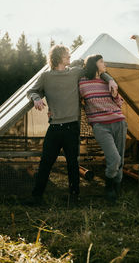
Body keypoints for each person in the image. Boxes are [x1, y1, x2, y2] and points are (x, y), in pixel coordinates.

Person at [26, 45, 117, 205]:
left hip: (72, 126)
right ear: (59, 57)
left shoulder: (75, 72)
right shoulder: (45, 77)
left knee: (73, 164)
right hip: (54, 127)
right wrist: (36, 98)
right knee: (45, 162)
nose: (69, 57)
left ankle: (74, 197)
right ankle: (36, 197)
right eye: (67, 55)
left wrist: (111, 80)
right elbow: (31, 91)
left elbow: (94, 70)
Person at [79, 54, 127, 202]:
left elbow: (119, 103)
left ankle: (116, 188)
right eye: (102, 62)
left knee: (120, 158)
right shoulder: (82, 83)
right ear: (94, 64)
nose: (104, 64)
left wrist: (115, 94)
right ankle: (108, 186)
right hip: (100, 125)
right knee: (114, 158)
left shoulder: (108, 81)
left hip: (118, 122)